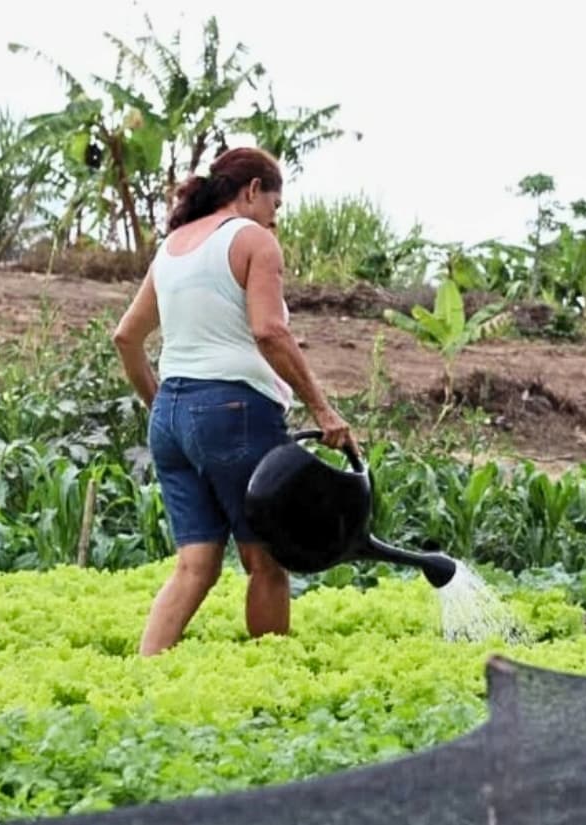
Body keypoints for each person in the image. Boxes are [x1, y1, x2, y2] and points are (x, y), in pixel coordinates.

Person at [111, 145, 357, 656]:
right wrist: (323, 409)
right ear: (252, 191)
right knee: (267, 560)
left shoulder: (173, 247)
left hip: (172, 420)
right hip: (235, 415)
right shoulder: (253, 241)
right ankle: (269, 684)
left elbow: (126, 338)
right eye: (276, 203)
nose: (276, 216)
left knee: (194, 566)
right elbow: (269, 332)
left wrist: (160, 405)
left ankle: (140, 678)